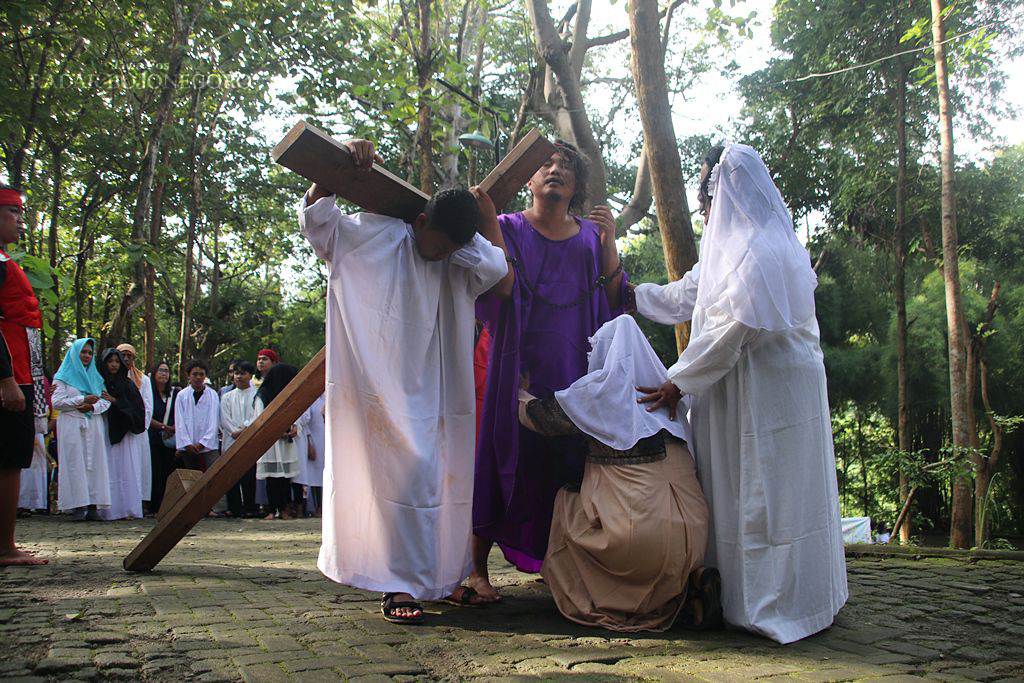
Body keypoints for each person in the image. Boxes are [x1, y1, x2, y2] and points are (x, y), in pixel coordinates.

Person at [634, 144, 847, 644]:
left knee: (770, 489)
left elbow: (733, 330)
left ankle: (776, 601)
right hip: (734, 384)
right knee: (734, 485)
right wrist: (632, 294)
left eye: (708, 193)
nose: (704, 208)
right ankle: (731, 589)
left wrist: (678, 380)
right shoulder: (724, 246)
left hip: (772, 390)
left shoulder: (766, 249)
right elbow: (688, 294)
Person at [301, 138, 507, 623]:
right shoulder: (373, 236)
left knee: (439, 479)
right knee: (395, 476)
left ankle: (437, 577)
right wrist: (335, 171)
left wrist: (484, 224)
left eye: (456, 247)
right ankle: (396, 585)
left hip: (436, 392)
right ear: (420, 221)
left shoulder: (460, 257)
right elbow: (318, 221)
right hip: (375, 384)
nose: (443, 255)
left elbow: (498, 268)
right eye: (441, 243)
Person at [470, 141, 628, 601]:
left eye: (565, 168)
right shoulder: (506, 227)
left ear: (576, 186)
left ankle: (556, 561)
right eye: (546, 165)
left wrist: (611, 242)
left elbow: (614, 299)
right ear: (530, 180)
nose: (555, 171)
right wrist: (485, 222)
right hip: (512, 365)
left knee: (566, 467)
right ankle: (477, 571)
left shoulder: (587, 238)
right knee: (500, 457)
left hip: (574, 367)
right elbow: (493, 285)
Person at [516, 315, 715, 632]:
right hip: (695, 537)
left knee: (567, 504)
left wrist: (516, 392)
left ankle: (612, 597)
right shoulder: (667, 400)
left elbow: (538, 417)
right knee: (656, 526)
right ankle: (689, 585)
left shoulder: (598, 393)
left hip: (641, 542)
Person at [0, 185, 47, 564]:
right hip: (9, 375)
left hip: (19, 372)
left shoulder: (4, 259)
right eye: (13, 213)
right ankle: (4, 547)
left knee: (13, 457)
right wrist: (6, 378)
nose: (20, 221)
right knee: (8, 459)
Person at [52, 338, 111, 520]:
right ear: (74, 354)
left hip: (93, 423)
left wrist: (92, 407)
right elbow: (57, 402)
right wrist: (81, 401)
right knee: (74, 464)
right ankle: (77, 505)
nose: (86, 356)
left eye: (89, 353)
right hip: (72, 424)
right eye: (83, 352)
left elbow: (105, 400)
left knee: (95, 464)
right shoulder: (62, 376)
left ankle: (94, 505)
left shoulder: (96, 377)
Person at [97, 347, 147, 520]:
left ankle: (127, 508)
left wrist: (116, 401)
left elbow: (137, 409)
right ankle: (107, 509)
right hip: (104, 431)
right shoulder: (98, 383)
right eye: (110, 361)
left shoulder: (127, 384)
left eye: (117, 361)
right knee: (108, 470)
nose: (114, 365)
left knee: (126, 470)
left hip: (125, 434)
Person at [253, 364, 302, 519]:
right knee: (272, 477)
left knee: (286, 477)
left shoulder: (289, 394)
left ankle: (285, 508)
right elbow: (259, 419)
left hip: (286, 441)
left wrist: (295, 427)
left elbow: (297, 414)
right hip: (271, 442)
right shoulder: (263, 395)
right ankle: (272, 509)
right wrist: (276, 432)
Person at [116, 343, 153, 510]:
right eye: (122, 355)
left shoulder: (143, 379)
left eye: (129, 356)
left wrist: (137, 424)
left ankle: (138, 502)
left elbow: (147, 406)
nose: (126, 359)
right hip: (118, 429)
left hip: (137, 430)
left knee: (137, 466)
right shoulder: (109, 377)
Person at [220, 360, 258, 517]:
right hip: (231, 439)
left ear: (250, 375)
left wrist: (245, 429)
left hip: (250, 439)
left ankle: (250, 508)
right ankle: (234, 507)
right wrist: (234, 431)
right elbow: (224, 418)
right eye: (236, 373)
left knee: (249, 476)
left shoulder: (257, 394)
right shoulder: (227, 396)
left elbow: (256, 415)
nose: (239, 376)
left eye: (243, 373)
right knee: (231, 475)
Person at [174, 359, 220, 471]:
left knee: (214, 474)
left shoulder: (212, 395)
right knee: (192, 477)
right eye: (195, 374)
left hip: (209, 446)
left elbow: (214, 421)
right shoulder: (182, 395)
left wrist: (203, 443)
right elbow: (179, 421)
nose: (198, 377)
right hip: (188, 446)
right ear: (188, 375)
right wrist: (187, 443)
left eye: (201, 374)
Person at [147, 361, 177, 513]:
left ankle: (167, 505)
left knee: (168, 472)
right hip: (153, 438)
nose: (164, 373)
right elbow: (146, 416)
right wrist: (163, 427)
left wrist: (173, 428)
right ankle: (153, 505)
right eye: (161, 370)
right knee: (154, 472)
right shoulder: (148, 393)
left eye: (166, 370)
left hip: (171, 440)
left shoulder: (175, 393)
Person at [296, 392, 326, 516]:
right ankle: (315, 506)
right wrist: (309, 442)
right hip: (313, 440)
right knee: (313, 475)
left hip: (328, 439)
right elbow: (305, 422)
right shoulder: (310, 399)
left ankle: (323, 506)